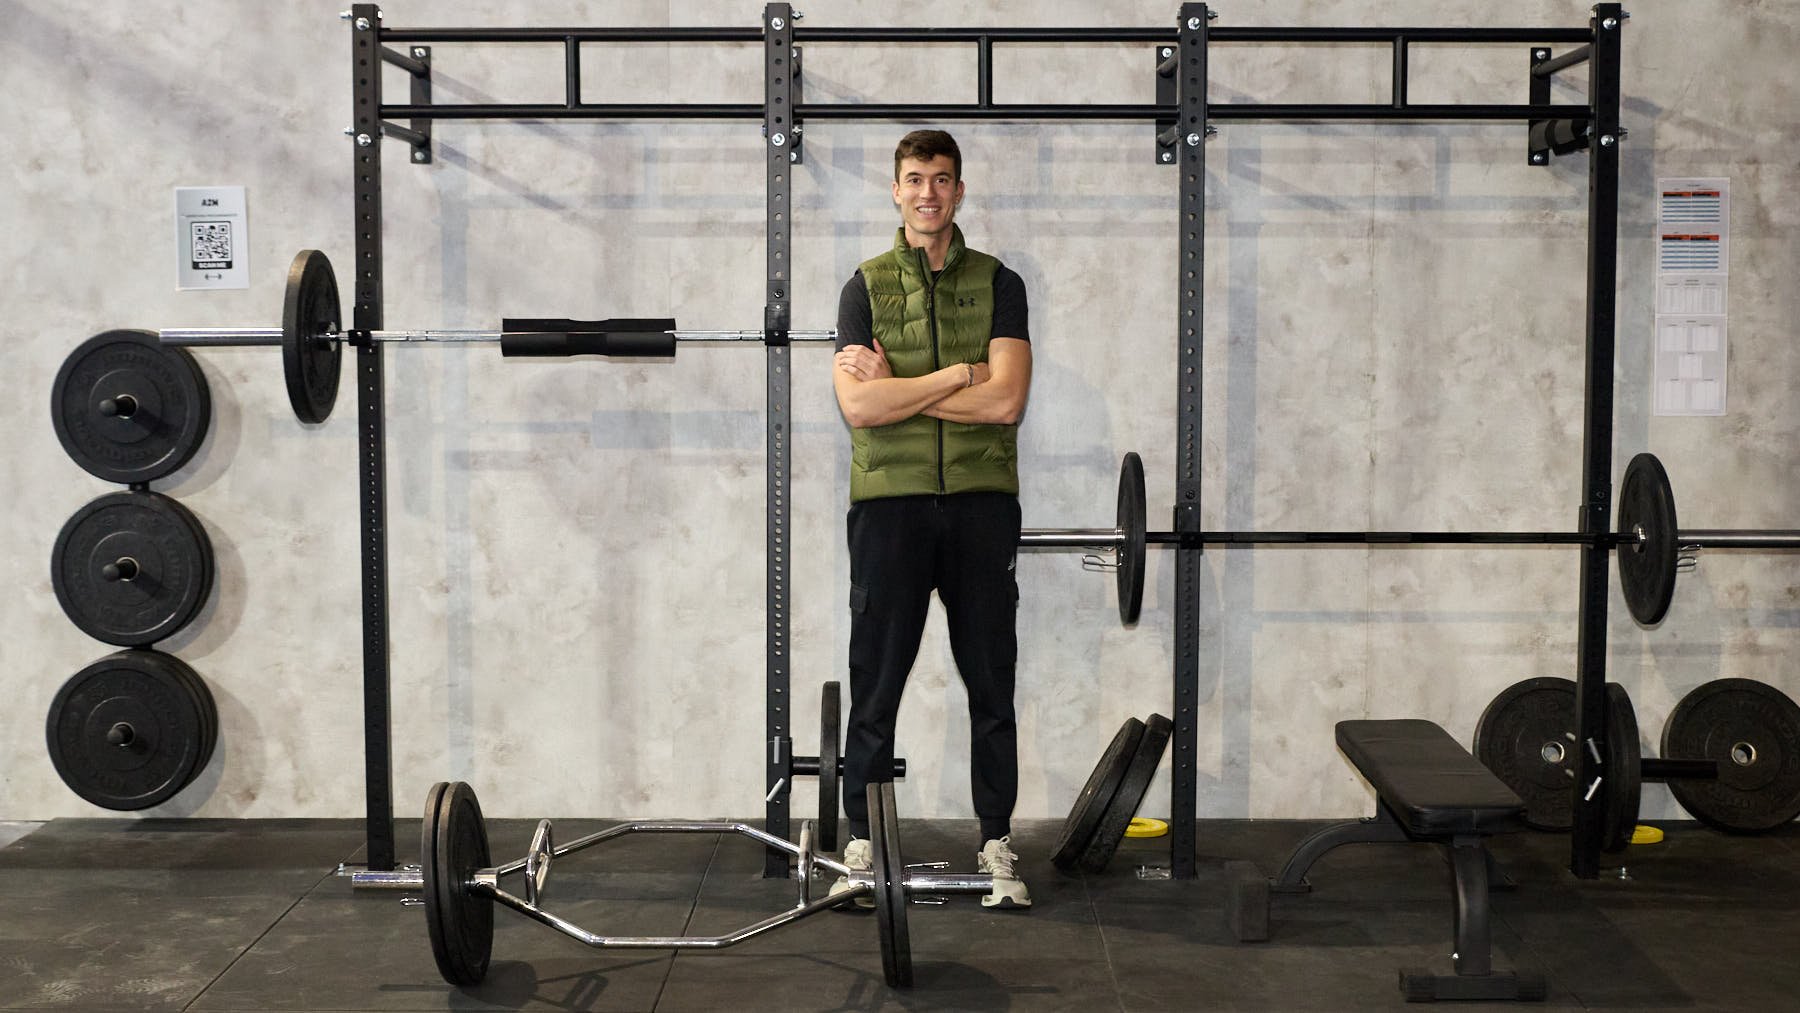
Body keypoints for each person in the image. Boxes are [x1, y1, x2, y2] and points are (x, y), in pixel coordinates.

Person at [829, 129, 1033, 909]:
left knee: (992, 680)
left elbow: (1008, 399)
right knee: (875, 682)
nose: (927, 193)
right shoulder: (864, 286)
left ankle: (997, 843)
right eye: (914, 179)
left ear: (959, 191)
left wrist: (904, 386)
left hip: (983, 506)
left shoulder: (1000, 283)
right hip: (890, 508)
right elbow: (857, 405)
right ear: (894, 189)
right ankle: (861, 844)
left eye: (941, 179)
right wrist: (957, 373)